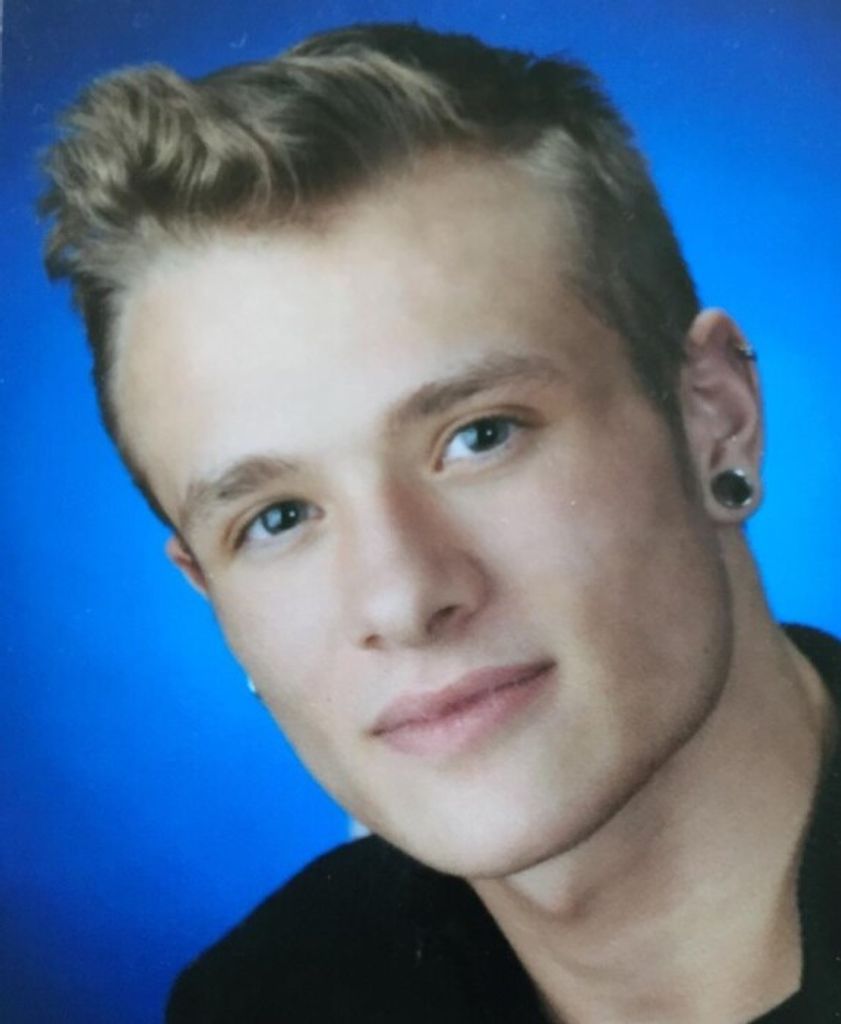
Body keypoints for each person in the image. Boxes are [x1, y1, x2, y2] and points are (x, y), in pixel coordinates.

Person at [39, 21, 840, 1024]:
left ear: (714, 418)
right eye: (277, 517)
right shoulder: (255, 1002)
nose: (403, 598)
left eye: (479, 436)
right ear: (214, 598)